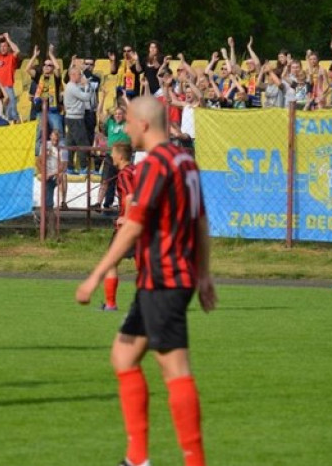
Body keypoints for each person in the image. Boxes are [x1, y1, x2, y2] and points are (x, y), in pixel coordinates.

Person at [76, 96, 216, 466]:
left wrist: (94, 276)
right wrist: (204, 275)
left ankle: (195, 461)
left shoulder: (155, 164)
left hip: (165, 278)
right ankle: (137, 458)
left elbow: (133, 226)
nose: (124, 130)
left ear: (143, 124)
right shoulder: (185, 161)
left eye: (128, 123)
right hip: (164, 278)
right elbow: (201, 222)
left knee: (175, 369)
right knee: (123, 356)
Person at [99, 142, 137, 312]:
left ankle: (110, 304)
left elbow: (130, 196)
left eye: (113, 153)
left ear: (120, 156)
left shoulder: (124, 174)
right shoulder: (136, 171)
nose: (111, 157)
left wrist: (126, 218)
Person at [37, 128, 68, 211]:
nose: (55, 142)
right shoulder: (45, 145)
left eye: (57, 140)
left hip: (56, 173)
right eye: (53, 139)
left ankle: (62, 202)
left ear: (59, 139)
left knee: (63, 176)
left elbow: (64, 166)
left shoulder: (63, 148)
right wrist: (46, 155)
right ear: (50, 137)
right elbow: (38, 162)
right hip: (46, 172)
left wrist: (52, 174)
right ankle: (46, 204)